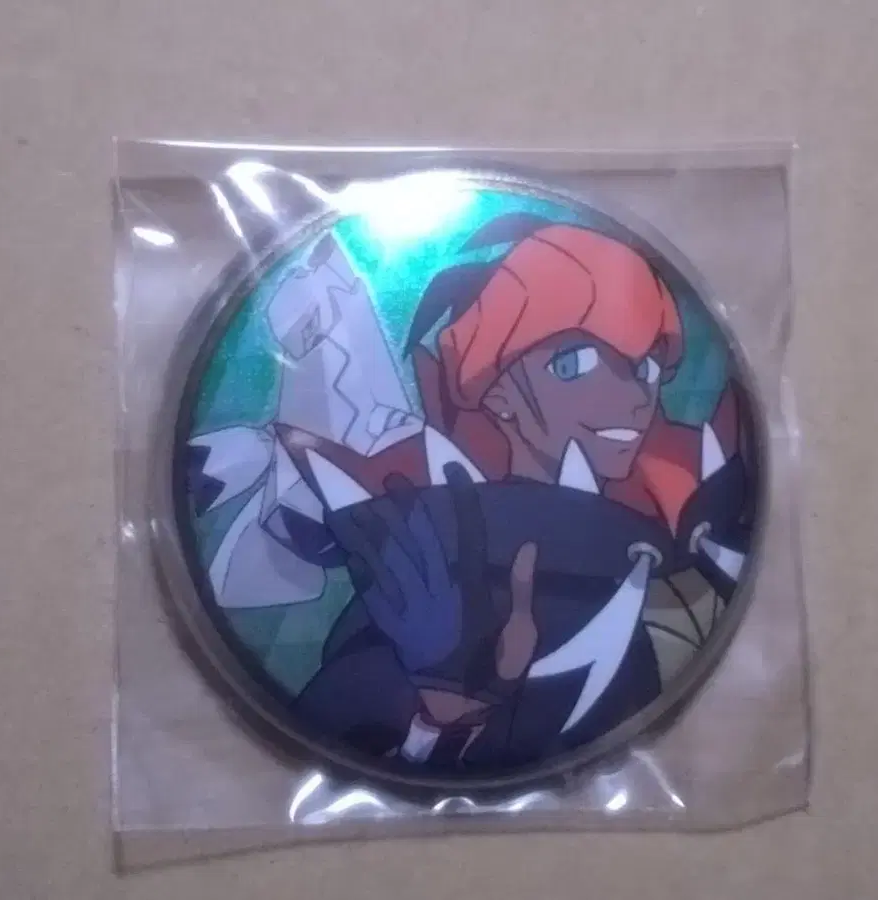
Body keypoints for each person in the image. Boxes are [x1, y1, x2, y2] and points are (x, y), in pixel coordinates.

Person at [265, 214, 756, 772]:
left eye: (644, 367)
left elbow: (625, 718)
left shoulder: (638, 558)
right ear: (496, 393)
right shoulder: (432, 553)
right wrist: (441, 717)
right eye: (573, 364)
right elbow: (337, 719)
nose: (634, 398)